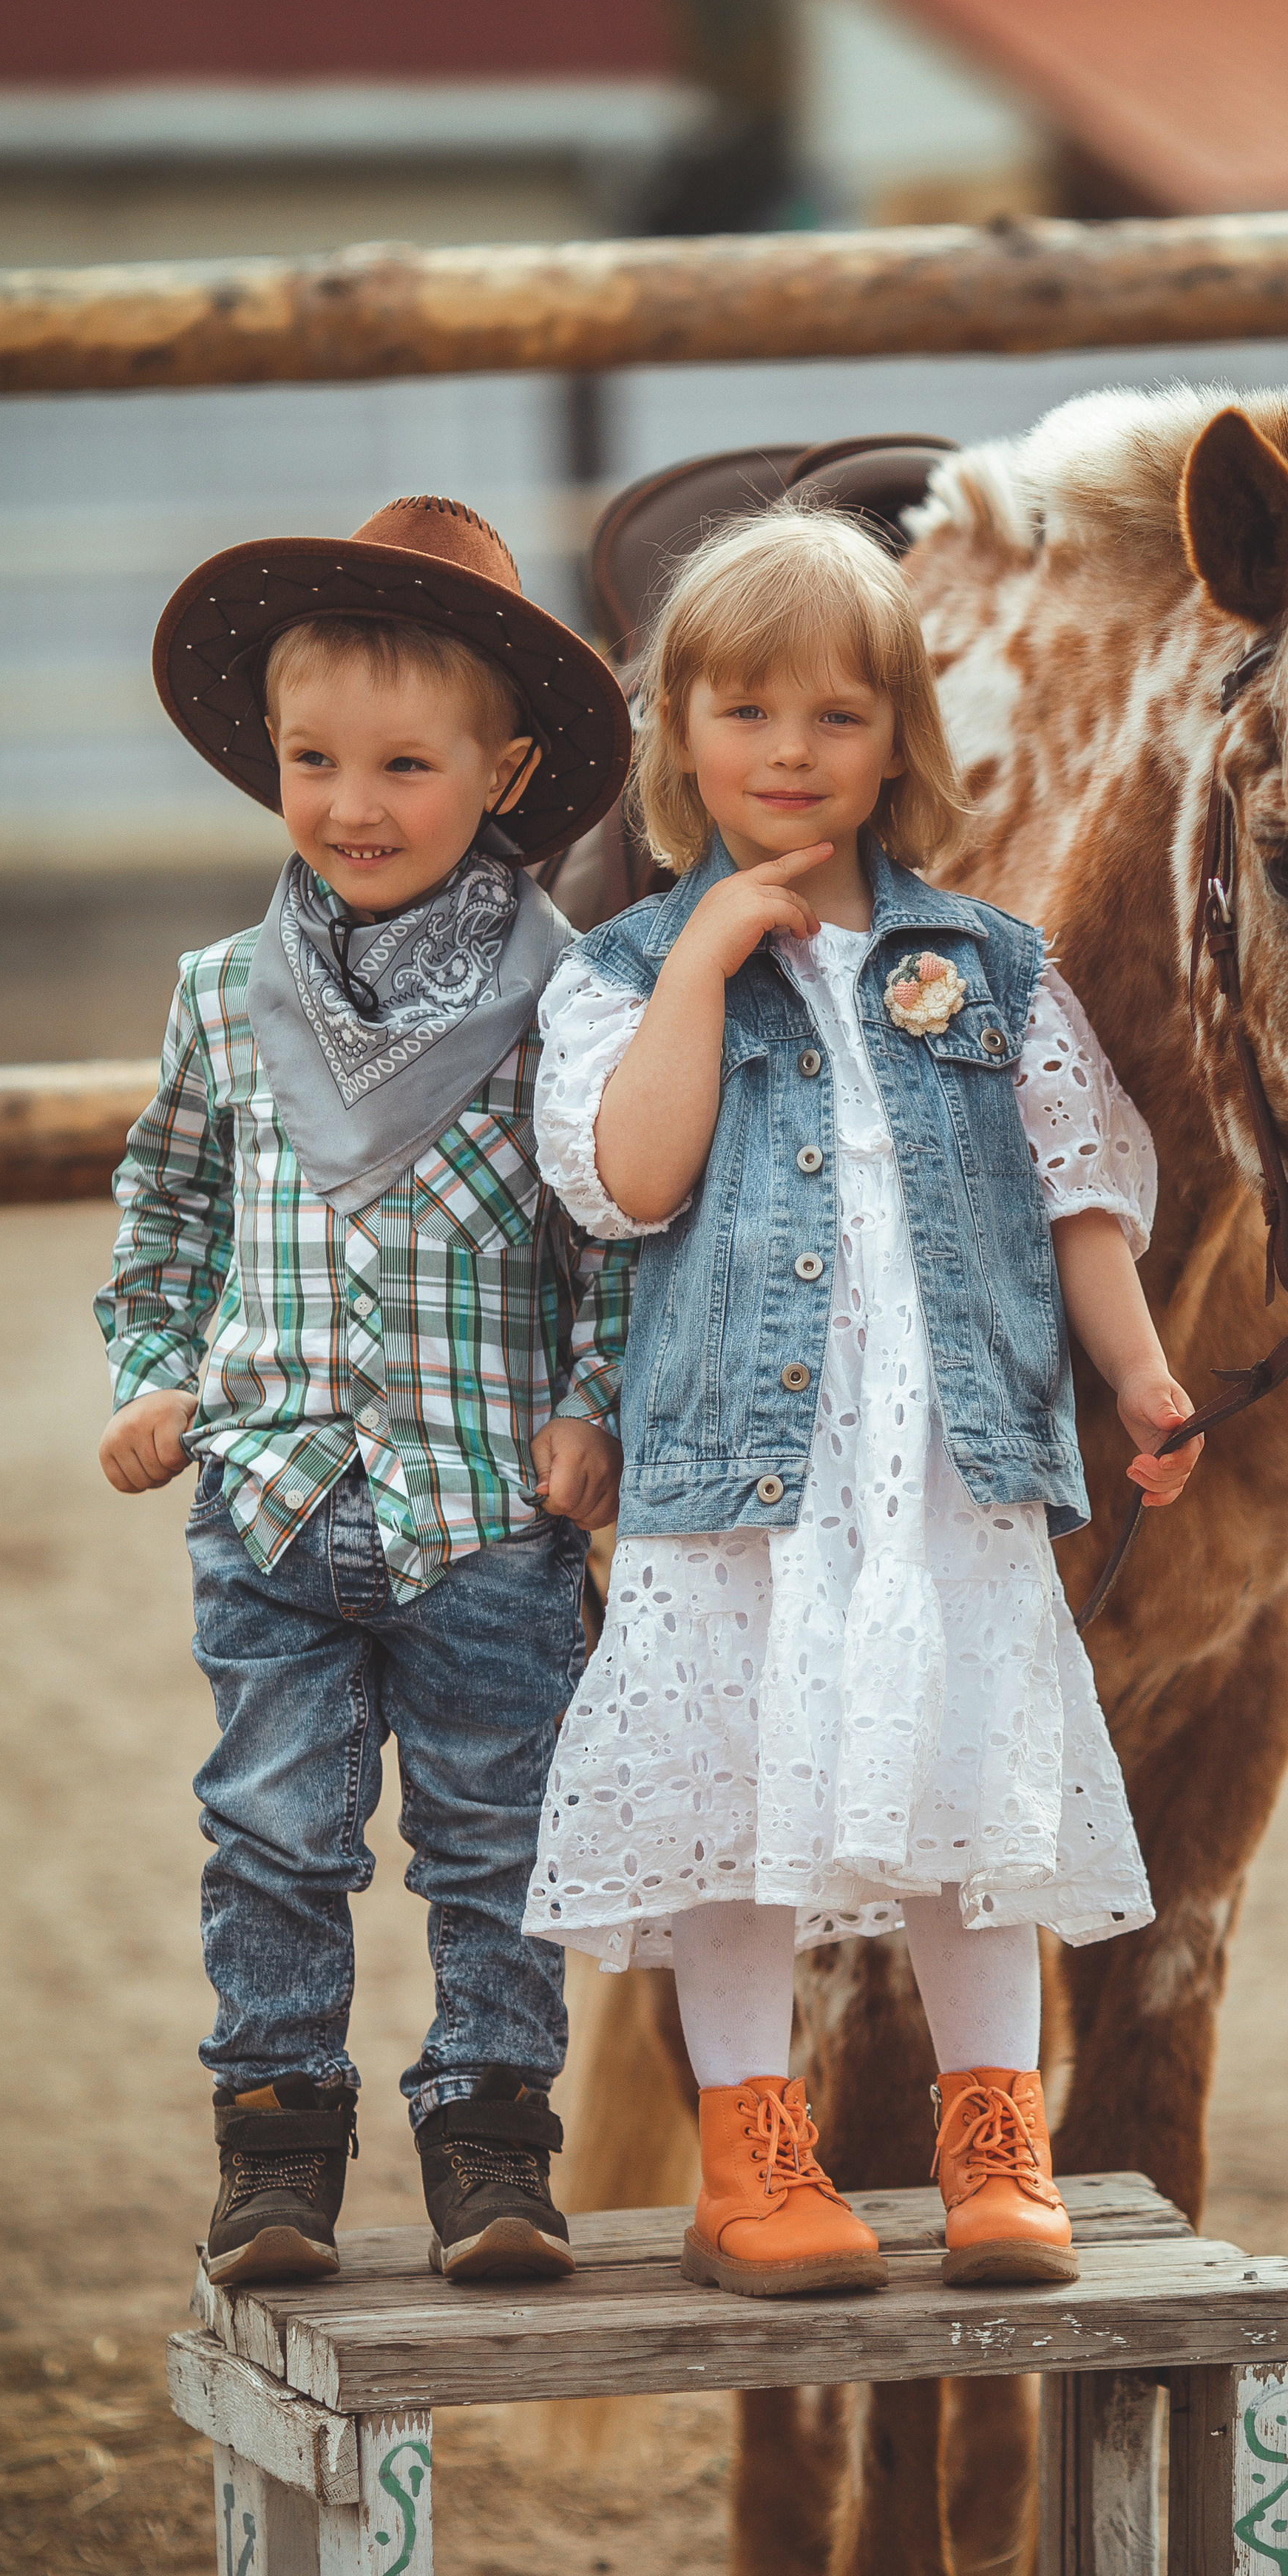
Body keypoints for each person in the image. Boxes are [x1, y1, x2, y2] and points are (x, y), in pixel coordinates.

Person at [526, 504, 1202, 2299]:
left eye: (836, 714)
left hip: (942, 1471)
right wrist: (701, 960)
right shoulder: (619, 976)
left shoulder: (986, 967)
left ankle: (997, 2141)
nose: (789, 751)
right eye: (745, 712)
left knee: (969, 1815)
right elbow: (633, 1179)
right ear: (679, 732)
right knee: (732, 1817)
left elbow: (1074, 1191)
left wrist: (1136, 1371)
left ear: (899, 736)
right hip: (741, 1486)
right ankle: (751, 2155)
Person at [95, 497, 635, 2288]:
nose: (351, 803)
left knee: (495, 1840)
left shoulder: (564, 1007)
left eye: (405, 764)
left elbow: (612, 1230)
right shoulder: (219, 998)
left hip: (487, 1516)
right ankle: (275, 2151)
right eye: (312, 759)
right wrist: (156, 1373)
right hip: (270, 1502)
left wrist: (589, 1405)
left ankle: (491, 2147)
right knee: (269, 1833)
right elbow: (168, 1206)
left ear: (505, 773)